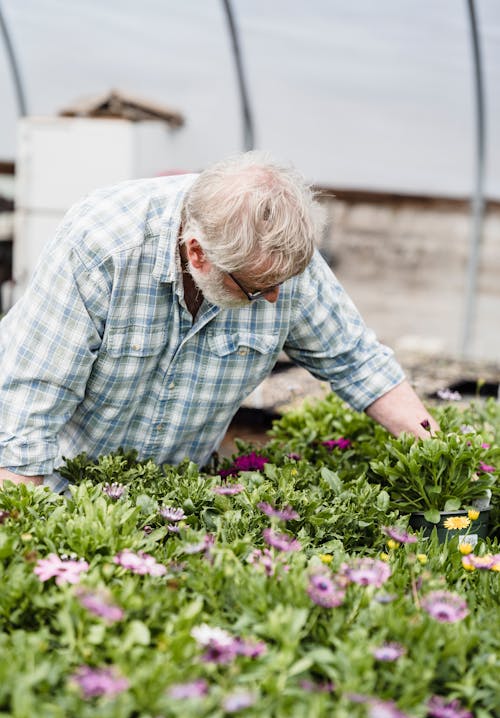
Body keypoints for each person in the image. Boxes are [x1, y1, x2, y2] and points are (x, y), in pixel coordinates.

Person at [0, 151, 438, 492]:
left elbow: (358, 361)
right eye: (255, 288)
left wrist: (443, 460)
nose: (273, 297)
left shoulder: (281, 262)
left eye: (280, 283)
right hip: (61, 487)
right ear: (198, 254)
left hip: (175, 495)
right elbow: (31, 401)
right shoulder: (104, 245)